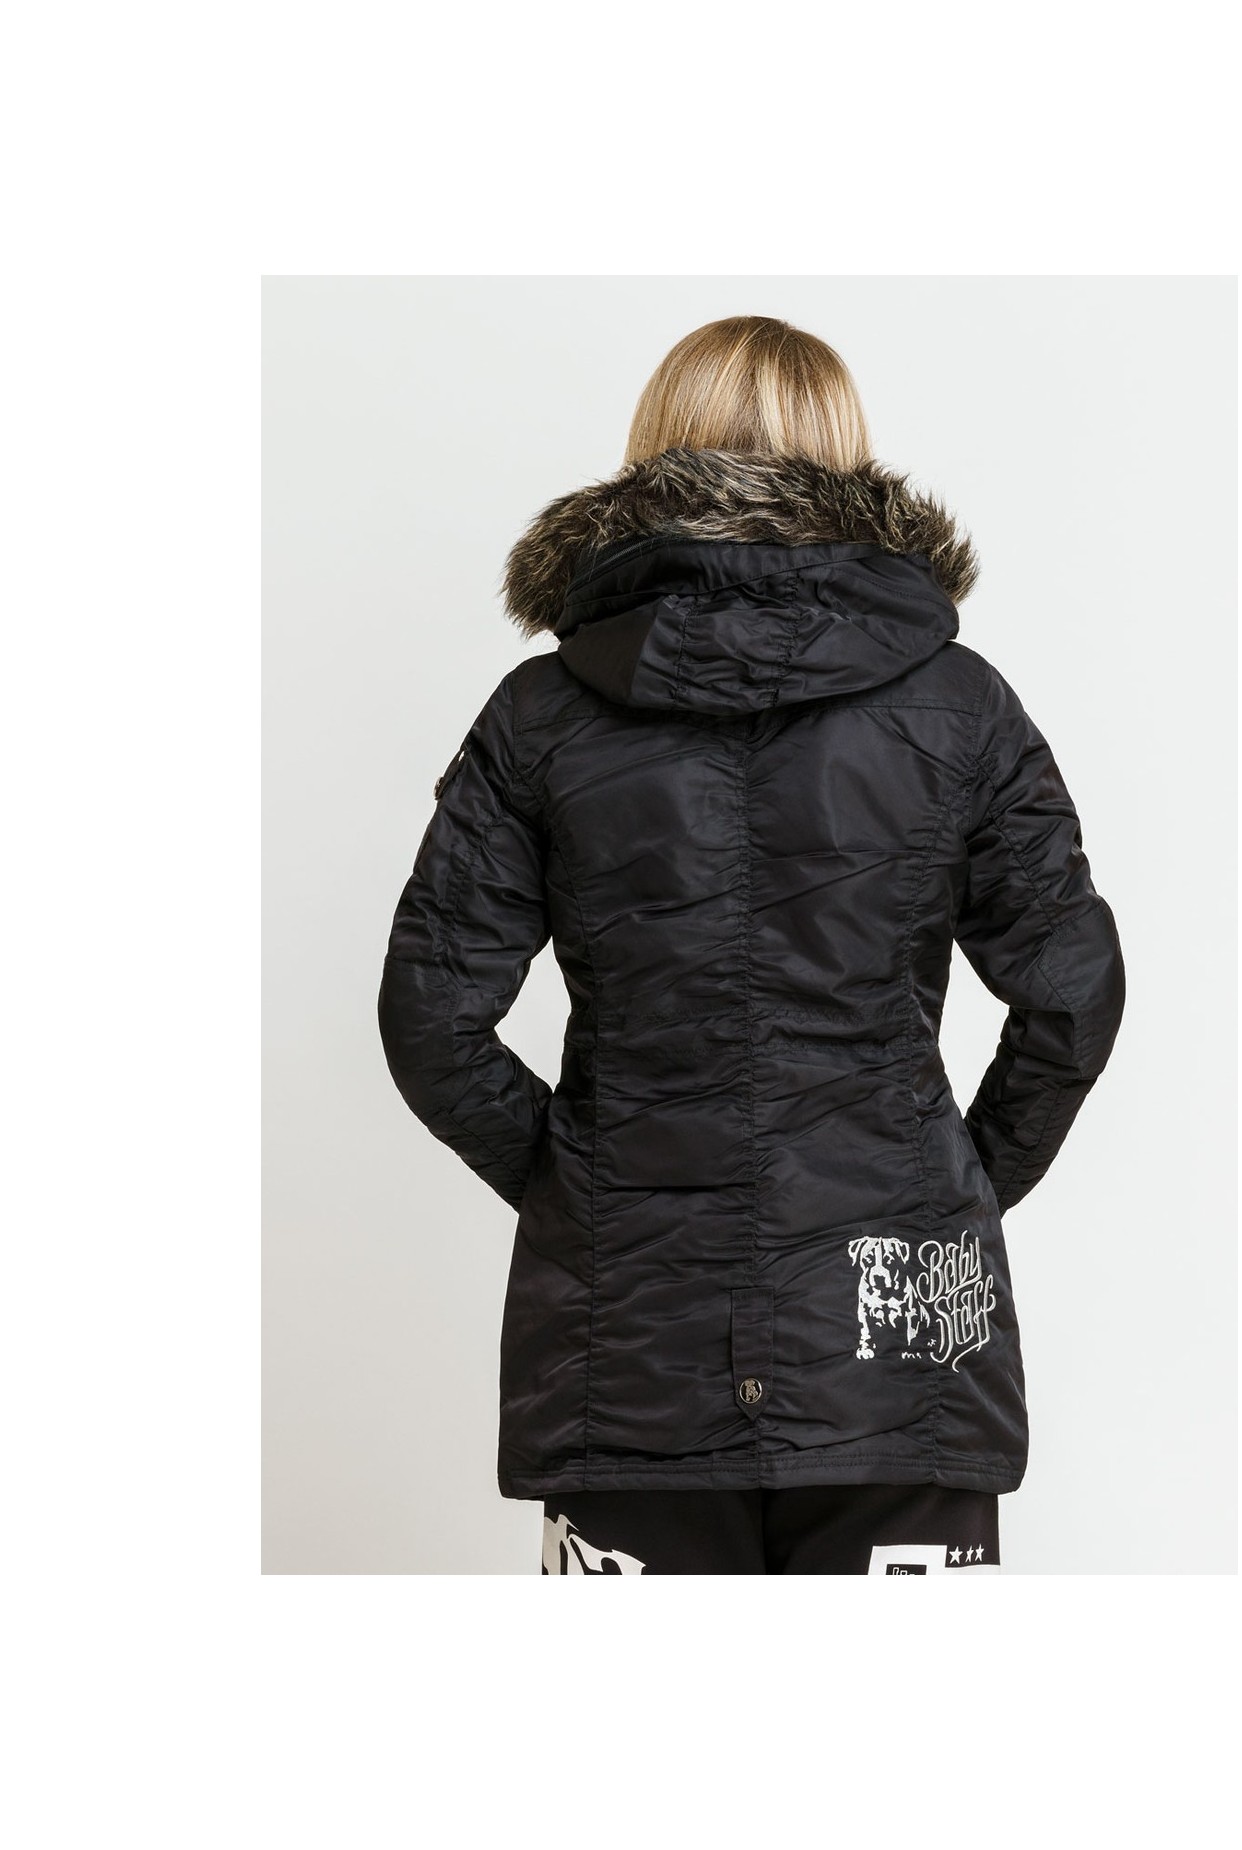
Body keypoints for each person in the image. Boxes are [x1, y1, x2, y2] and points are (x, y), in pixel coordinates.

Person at [377, 315, 1127, 1574]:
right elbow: (1075, 994)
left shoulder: (540, 715)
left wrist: (584, 1188)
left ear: (651, 450)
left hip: (630, 1349)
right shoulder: (963, 707)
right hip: (901, 1348)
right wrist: (945, 1181)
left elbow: (429, 1017)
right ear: (849, 454)